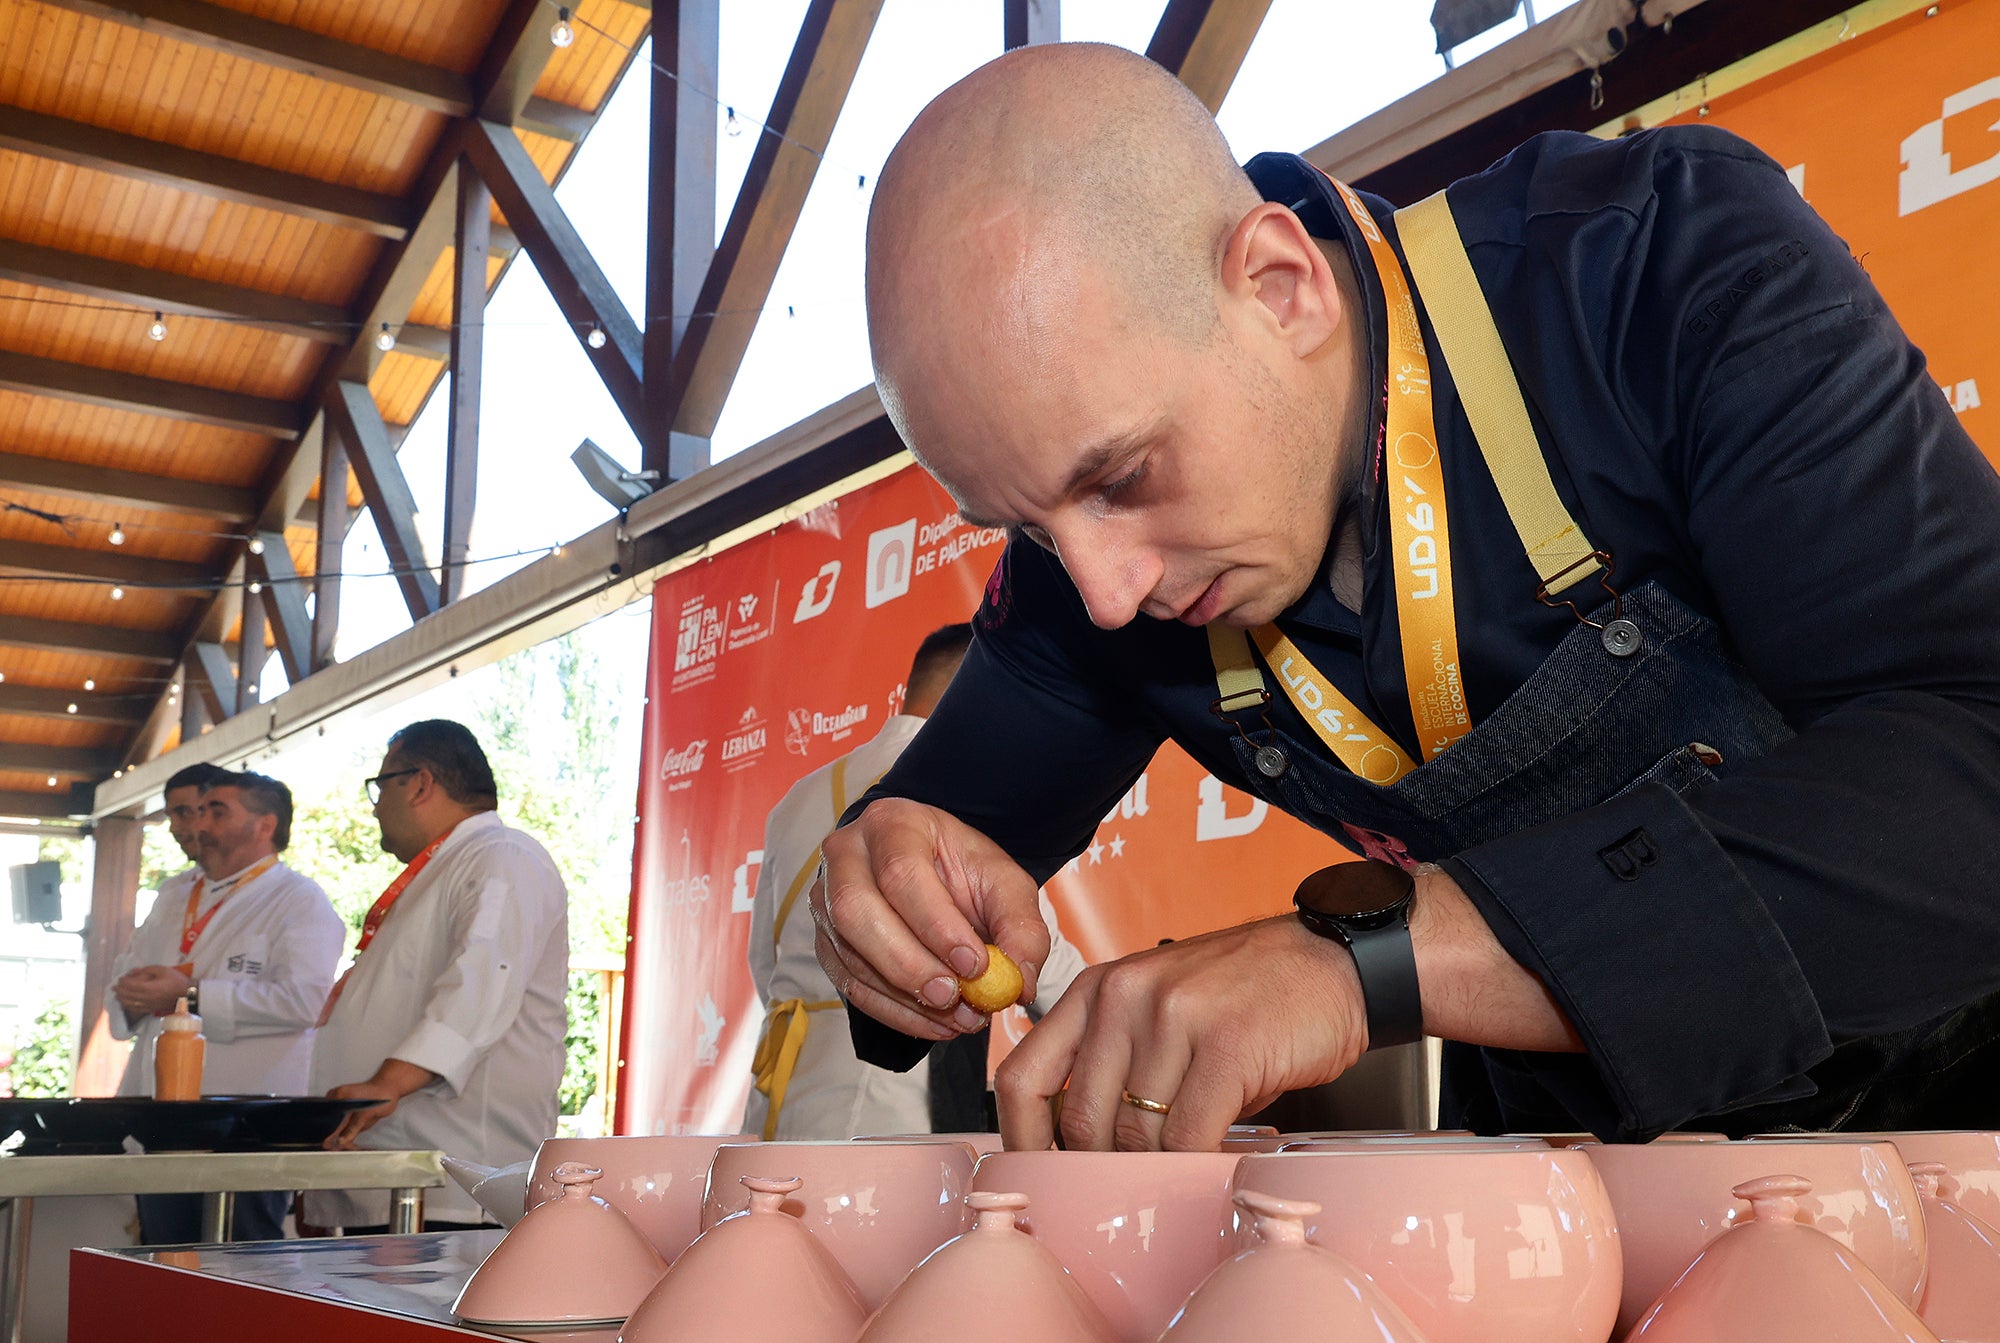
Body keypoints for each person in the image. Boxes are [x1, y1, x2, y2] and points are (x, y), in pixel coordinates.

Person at [810, 42, 2000, 1152]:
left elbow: (1975, 768)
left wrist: (1370, 959)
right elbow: (929, 887)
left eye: (1123, 476)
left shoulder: (1651, 267)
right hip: (1572, 1179)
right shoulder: (1085, 567)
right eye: (1021, 528)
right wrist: (881, 896)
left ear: (1277, 287)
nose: (1104, 595)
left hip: (1950, 1115)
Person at [743, 623, 1085, 1140]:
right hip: (888, 1102)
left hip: (781, 1087)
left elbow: (763, 964)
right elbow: (1037, 959)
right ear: (978, 688)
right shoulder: (967, 793)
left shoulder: (798, 797)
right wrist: (1115, 1013)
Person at [306, 719, 568, 1233]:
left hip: (454, 1181)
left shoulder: (501, 855)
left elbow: (483, 978)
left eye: (380, 786)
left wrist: (389, 1083)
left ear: (420, 783)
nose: (377, 805)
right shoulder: (447, 868)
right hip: (398, 1173)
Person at [107, 768, 343, 1242]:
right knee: (163, 1263)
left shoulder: (299, 900)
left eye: (217, 812)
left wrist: (187, 996)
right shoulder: (175, 893)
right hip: (165, 1119)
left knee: (243, 1267)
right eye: (198, 811)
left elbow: (306, 1001)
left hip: (249, 1121)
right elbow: (128, 972)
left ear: (264, 825)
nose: (200, 825)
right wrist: (132, 995)